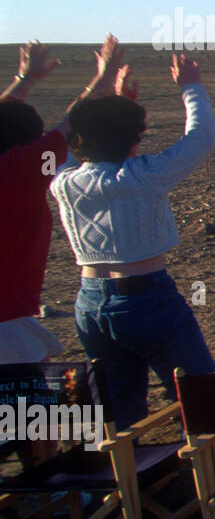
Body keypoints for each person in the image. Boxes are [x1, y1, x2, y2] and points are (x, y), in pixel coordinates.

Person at [51, 50, 215, 427]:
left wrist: (107, 91)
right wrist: (191, 87)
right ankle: (211, 481)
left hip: (89, 304)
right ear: (133, 140)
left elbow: (67, 137)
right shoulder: (141, 176)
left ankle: (127, 478)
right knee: (201, 398)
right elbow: (202, 136)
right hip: (146, 300)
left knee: (119, 407)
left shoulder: (63, 182)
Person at [0, 38, 129, 363]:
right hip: (7, 326)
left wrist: (24, 80)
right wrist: (105, 75)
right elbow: (72, 123)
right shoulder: (20, 172)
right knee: (24, 406)